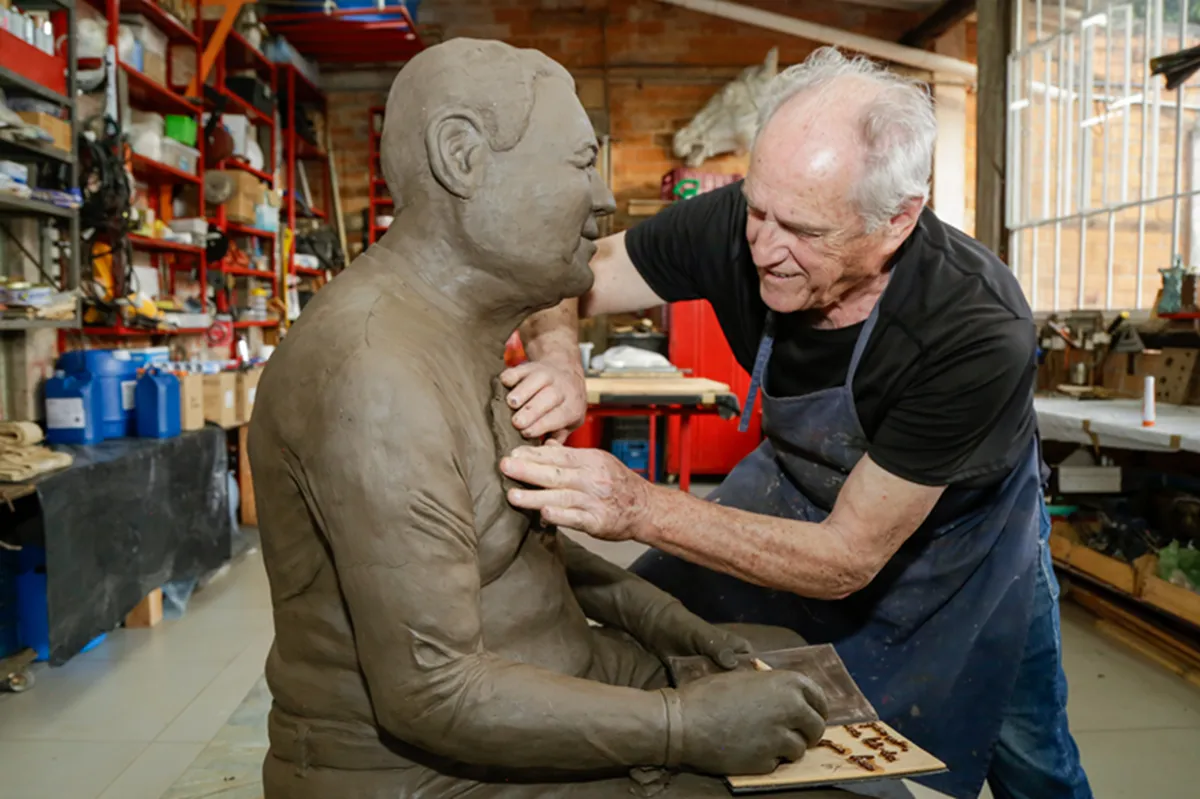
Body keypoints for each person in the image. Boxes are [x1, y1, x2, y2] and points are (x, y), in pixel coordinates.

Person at [248, 38, 838, 799]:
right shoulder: (374, 376)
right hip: (430, 772)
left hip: (547, 676)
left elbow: (522, 545)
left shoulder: (460, 329)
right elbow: (431, 693)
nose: (602, 198)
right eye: (577, 162)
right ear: (462, 157)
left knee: (787, 668)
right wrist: (682, 725)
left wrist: (676, 626)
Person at [500, 47, 1093, 799]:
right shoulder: (747, 224)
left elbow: (847, 558)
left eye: (804, 231)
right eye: (757, 209)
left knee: (1030, 753)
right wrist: (558, 355)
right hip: (791, 489)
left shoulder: (973, 328)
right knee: (644, 630)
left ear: (897, 220)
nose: (764, 247)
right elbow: (563, 270)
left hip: (958, 547)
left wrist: (636, 506)